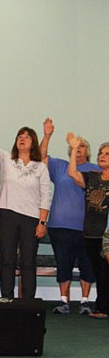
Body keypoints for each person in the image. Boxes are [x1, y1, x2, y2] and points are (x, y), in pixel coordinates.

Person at [0, 104, 51, 299]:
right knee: (7, 259)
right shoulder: (6, 159)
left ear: (33, 142)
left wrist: (42, 222)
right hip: (6, 215)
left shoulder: (40, 167)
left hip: (31, 218)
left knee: (28, 261)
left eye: (27, 136)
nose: (22, 138)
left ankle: (28, 302)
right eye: (20, 136)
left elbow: (46, 195)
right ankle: (6, 299)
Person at [40, 119, 99, 314]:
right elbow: (40, 158)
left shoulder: (94, 170)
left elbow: (80, 180)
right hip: (60, 226)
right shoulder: (59, 166)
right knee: (63, 263)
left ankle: (84, 301)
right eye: (75, 146)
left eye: (82, 146)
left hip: (87, 228)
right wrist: (47, 135)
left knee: (87, 264)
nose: (78, 148)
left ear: (87, 150)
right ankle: (64, 301)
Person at [68, 134, 109, 318]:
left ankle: (103, 308)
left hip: (106, 234)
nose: (102, 156)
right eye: (101, 153)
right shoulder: (92, 178)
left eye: (107, 154)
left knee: (106, 272)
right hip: (91, 233)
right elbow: (72, 173)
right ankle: (102, 308)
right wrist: (74, 149)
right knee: (100, 273)